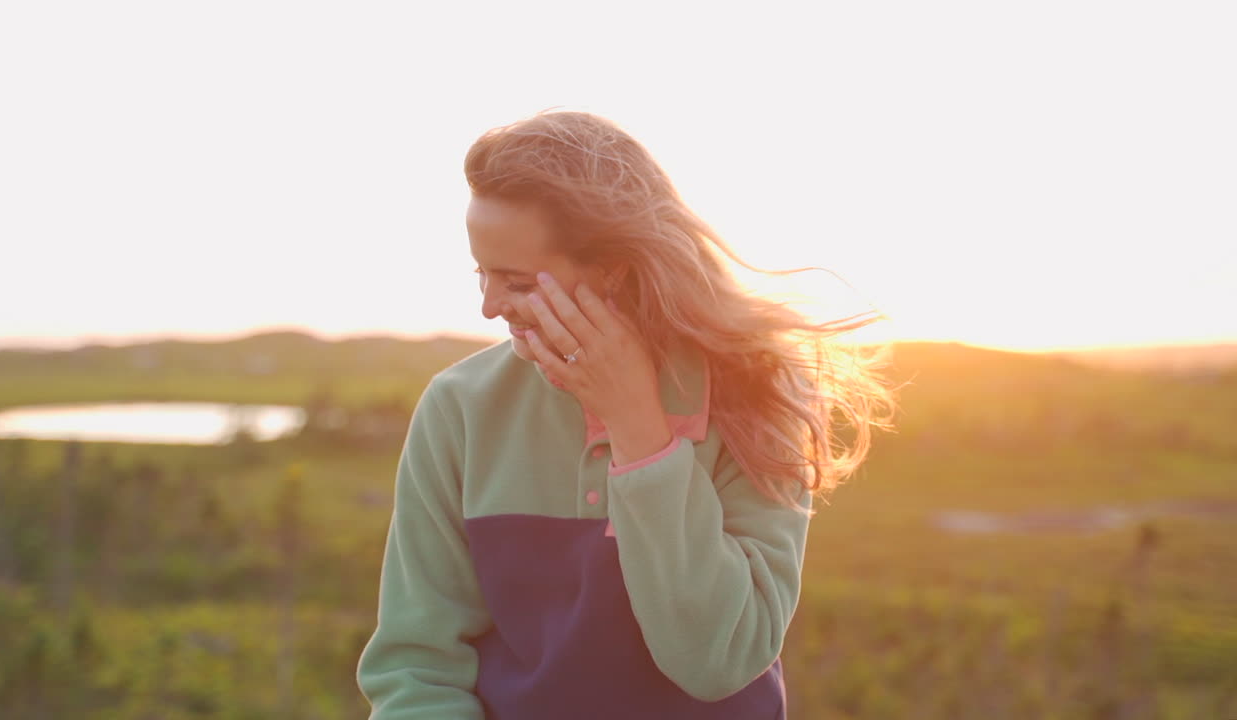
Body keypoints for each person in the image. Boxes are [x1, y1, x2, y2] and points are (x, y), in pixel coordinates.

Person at [356, 110, 893, 719]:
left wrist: (637, 424)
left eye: (517, 282)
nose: (488, 307)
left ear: (614, 268)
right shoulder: (459, 407)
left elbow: (718, 661)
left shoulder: (758, 394)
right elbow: (418, 668)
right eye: (482, 273)